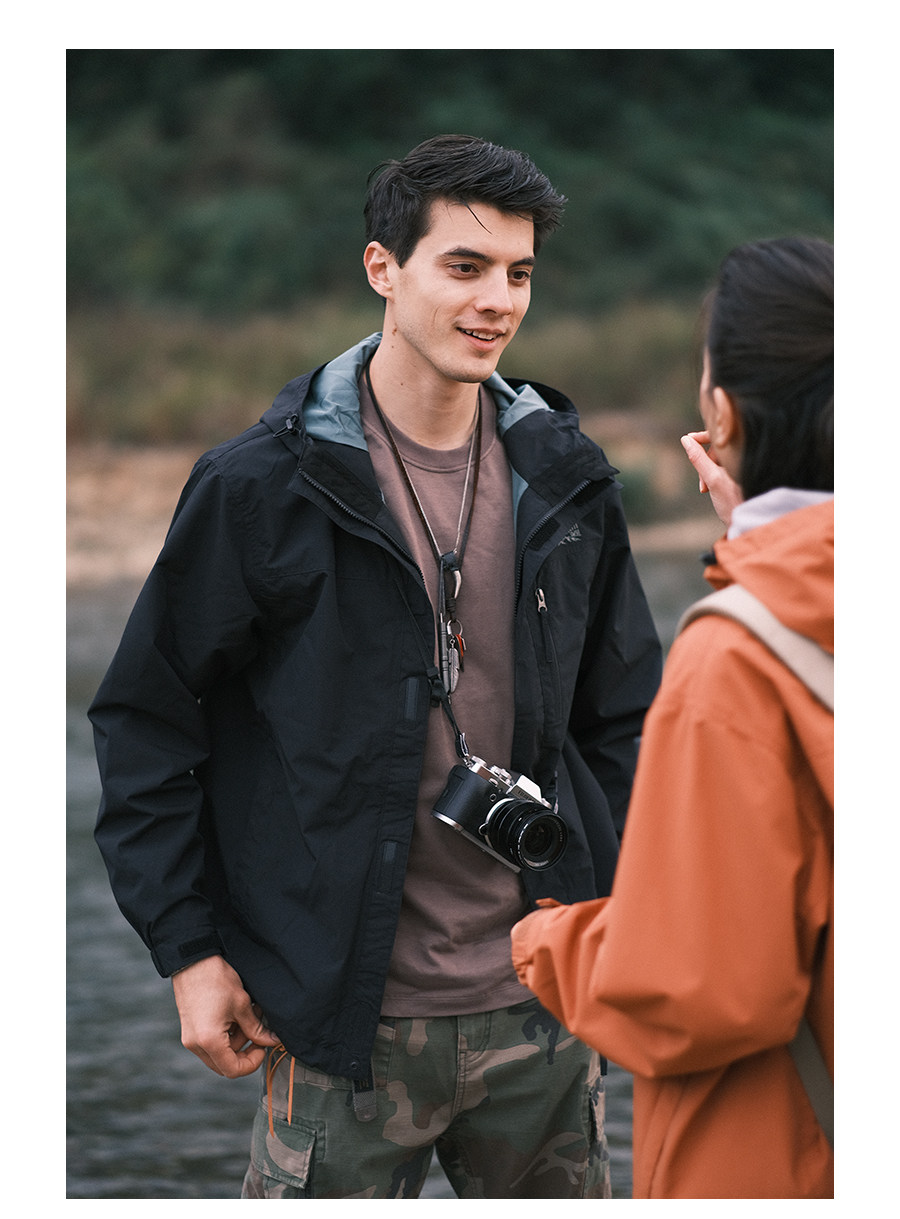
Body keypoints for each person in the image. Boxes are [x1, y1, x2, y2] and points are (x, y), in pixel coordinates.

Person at [89, 133, 662, 1200]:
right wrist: (189, 951)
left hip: (544, 1007)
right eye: (465, 266)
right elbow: (147, 724)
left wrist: (617, 916)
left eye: (519, 273)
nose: (497, 301)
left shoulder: (568, 478)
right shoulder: (263, 488)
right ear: (382, 268)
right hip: (335, 1023)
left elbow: (627, 721)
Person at [511, 235, 833, 1199]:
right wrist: (762, 539)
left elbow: (699, 990)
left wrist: (546, 942)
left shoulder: (735, 656)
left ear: (721, 415)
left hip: (780, 1156)